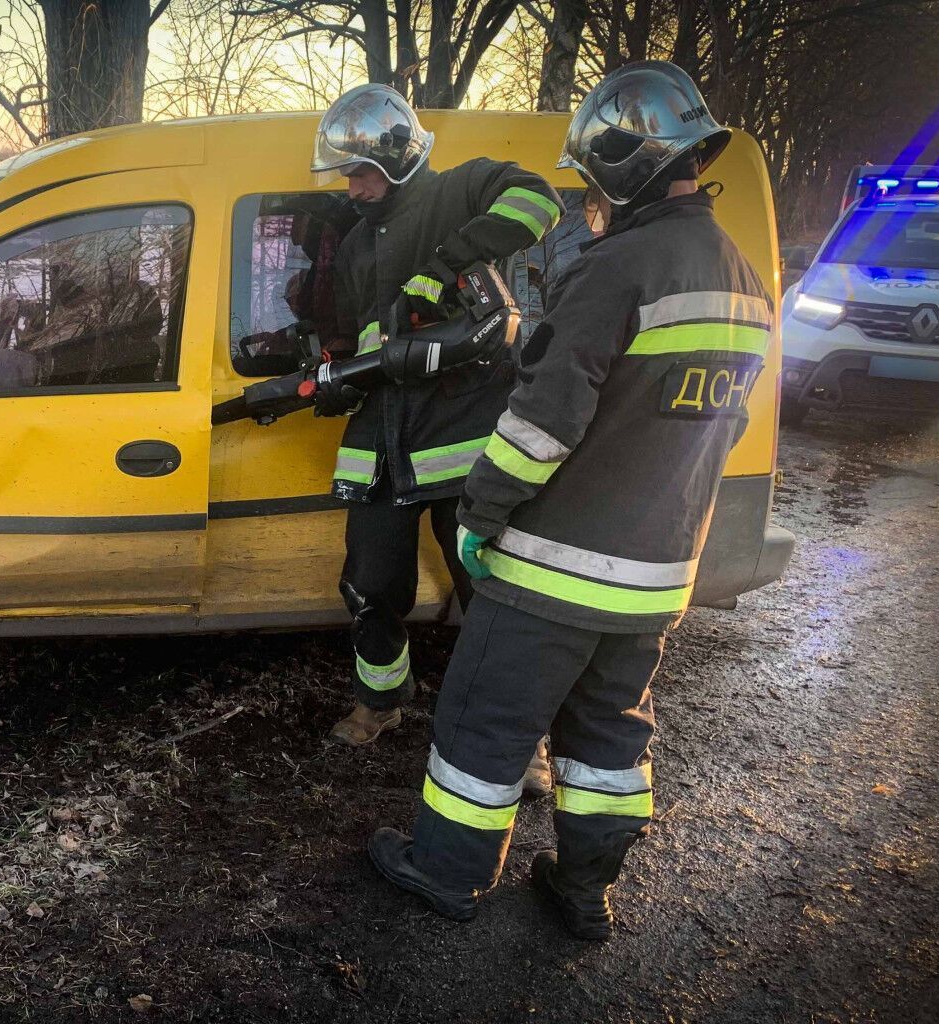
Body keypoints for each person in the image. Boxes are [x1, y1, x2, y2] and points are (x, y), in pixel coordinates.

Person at [365, 61, 772, 940]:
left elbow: (540, 424)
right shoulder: (745, 278)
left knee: (484, 722)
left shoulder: (617, 267)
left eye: (591, 182)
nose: (590, 199)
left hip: (554, 573)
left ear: (621, 169)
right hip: (658, 577)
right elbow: (718, 430)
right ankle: (584, 891)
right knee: (608, 744)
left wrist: (480, 513)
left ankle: (444, 874)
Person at [306, 85, 563, 761]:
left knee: (490, 595)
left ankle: (519, 740)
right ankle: (382, 702)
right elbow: (369, 332)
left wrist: (444, 268)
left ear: (394, 157)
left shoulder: (464, 188)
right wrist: (340, 376)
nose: (352, 189)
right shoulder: (360, 244)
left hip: (463, 446)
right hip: (382, 447)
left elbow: (539, 202)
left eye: (359, 173)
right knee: (368, 587)